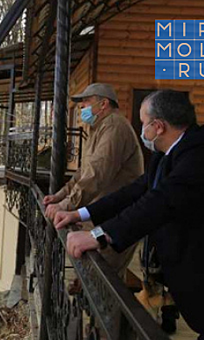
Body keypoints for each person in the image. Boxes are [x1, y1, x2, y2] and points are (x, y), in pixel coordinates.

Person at [55, 90, 204, 340]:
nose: (142, 130)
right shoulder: (166, 156)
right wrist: (81, 213)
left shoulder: (203, 153)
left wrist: (99, 235)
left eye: (143, 123)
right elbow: (134, 192)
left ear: (158, 126)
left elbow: (161, 201)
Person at [44, 83, 144, 279]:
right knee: (96, 273)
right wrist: (60, 196)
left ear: (103, 103)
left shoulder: (114, 126)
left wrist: (66, 205)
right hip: (103, 213)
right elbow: (84, 172)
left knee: (106, 276)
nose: (81, 108)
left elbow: (97, 173)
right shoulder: (99, 127)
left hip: (118, 216)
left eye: (86, 102)